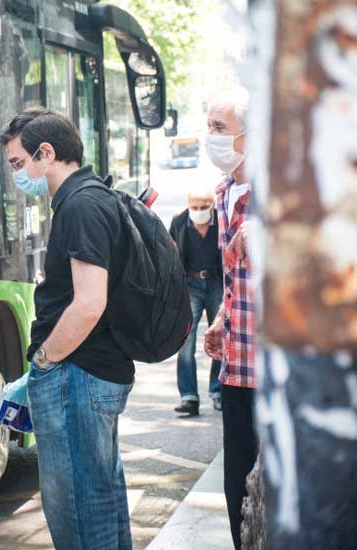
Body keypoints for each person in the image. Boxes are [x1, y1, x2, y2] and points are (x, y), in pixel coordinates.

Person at [0, 107, 134, 550]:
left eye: (19, 163)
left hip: (78, 377)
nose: (17, 175)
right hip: (89, 374)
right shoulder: (91, 197)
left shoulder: (79, 205)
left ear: (47, 152)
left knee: (78, 511)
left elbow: (89, 303)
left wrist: (42, 362)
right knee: (98, 502)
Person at [202, 89, 257, 550]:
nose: (211, 137)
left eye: (219, 128)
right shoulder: (223, 193)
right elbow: (236, 278)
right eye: (210, 127)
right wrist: (221, 318)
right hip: (237, 367)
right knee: (236, 486)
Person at [169, 189, 223, 416]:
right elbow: (170, 254)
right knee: (185, 340)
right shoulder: (180, 222)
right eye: (195, 207)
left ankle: (218, 390)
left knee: (220, 337)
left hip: (216, 283)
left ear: (212, 205)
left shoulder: (221, 221)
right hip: (190, 285)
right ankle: (189, 396)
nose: (199, 211)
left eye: (204, 207)